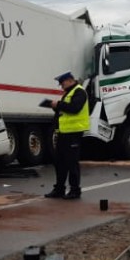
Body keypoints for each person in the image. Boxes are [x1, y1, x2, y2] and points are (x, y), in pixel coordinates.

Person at [43, 71, 89, 200]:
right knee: (60, 162)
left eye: (62, 83)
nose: (61, 86)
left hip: (74, 133)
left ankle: (75, 190)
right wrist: (55, 107)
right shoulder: (68, 93)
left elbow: (75, 108)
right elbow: (65, 111)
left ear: (70, 80)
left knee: (72, 162)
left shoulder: (79, 92)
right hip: (64, 133)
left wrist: (59, 104)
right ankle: (59, 189)